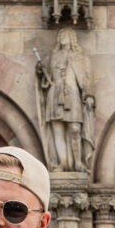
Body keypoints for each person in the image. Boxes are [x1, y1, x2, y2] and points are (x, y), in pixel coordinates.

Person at [36, 28, 96, 172]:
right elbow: (46, 75)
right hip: (54, 93)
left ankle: (78, 162)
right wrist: (40, 70)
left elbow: (87, 78)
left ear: (72, 38)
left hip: (72, 93)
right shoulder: (53, 56)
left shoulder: (80, 57)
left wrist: (88, 95)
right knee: (57, 129)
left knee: (75, 129)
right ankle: (62, 162)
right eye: (60, 35)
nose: (62, 37)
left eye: (66, 35)